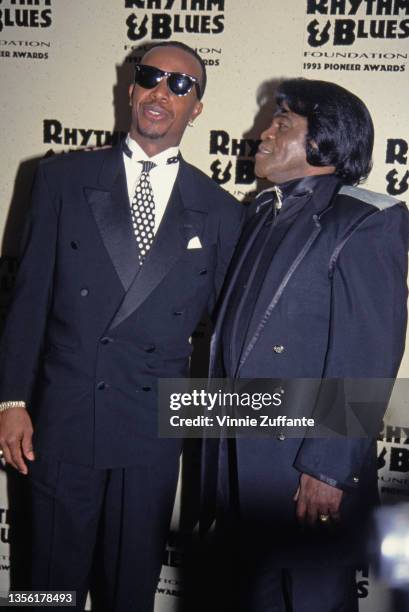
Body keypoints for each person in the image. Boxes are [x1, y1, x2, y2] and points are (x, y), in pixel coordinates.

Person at [0, 41, 243, 611]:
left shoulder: (221, 210)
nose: (163, 91)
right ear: (131, 89)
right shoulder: (60, 179)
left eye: (180, 85)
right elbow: (28, 298)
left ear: (197, 107)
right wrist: (11, 399)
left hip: (150, 432)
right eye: (151, 77)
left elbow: (231, 332)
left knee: (129, 591)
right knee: (46, 586)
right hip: (61, 422)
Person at [203, 78, 408, 611]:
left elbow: (369, 354)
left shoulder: (366, 221)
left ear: (325, 142)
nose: (262, 134)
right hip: (240, 465)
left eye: (282, 125)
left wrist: (327, 469)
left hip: (305, 473)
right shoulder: (259, 210)